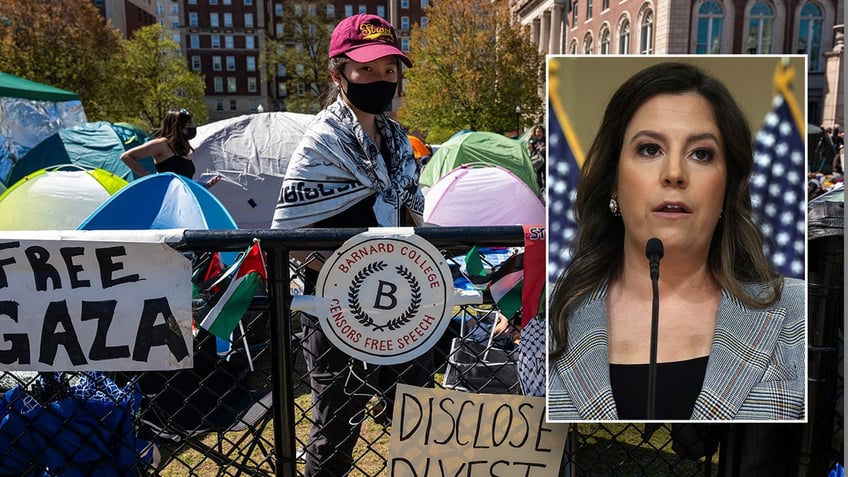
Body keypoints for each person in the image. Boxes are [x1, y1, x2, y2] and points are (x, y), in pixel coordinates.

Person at [547, 62, 805, 421]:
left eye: (701, 154)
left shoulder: (802, 312)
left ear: (727, 188)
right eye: (650, 149)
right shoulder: (550, 314)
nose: (674, 174)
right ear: (613, 181)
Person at [269, 14, 429, 476]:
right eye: (366, 70)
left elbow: (410, 213)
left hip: (404, 301)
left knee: (414, 412)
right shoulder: (323, 141)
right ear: (338, 75)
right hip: (336, 307)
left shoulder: (398, 140)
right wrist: (349, 272)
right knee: (337, 423)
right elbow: (289, 237)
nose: (381, 79)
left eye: (389, 69)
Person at [120, 109, 220, 186]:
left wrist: (204, 185)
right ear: (177, 127)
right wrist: (150, 177)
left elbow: (184, 180)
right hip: (167, 197)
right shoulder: (162, 144)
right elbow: (127, 157)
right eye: (188, 125)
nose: (192, 127)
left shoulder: (183, 148)